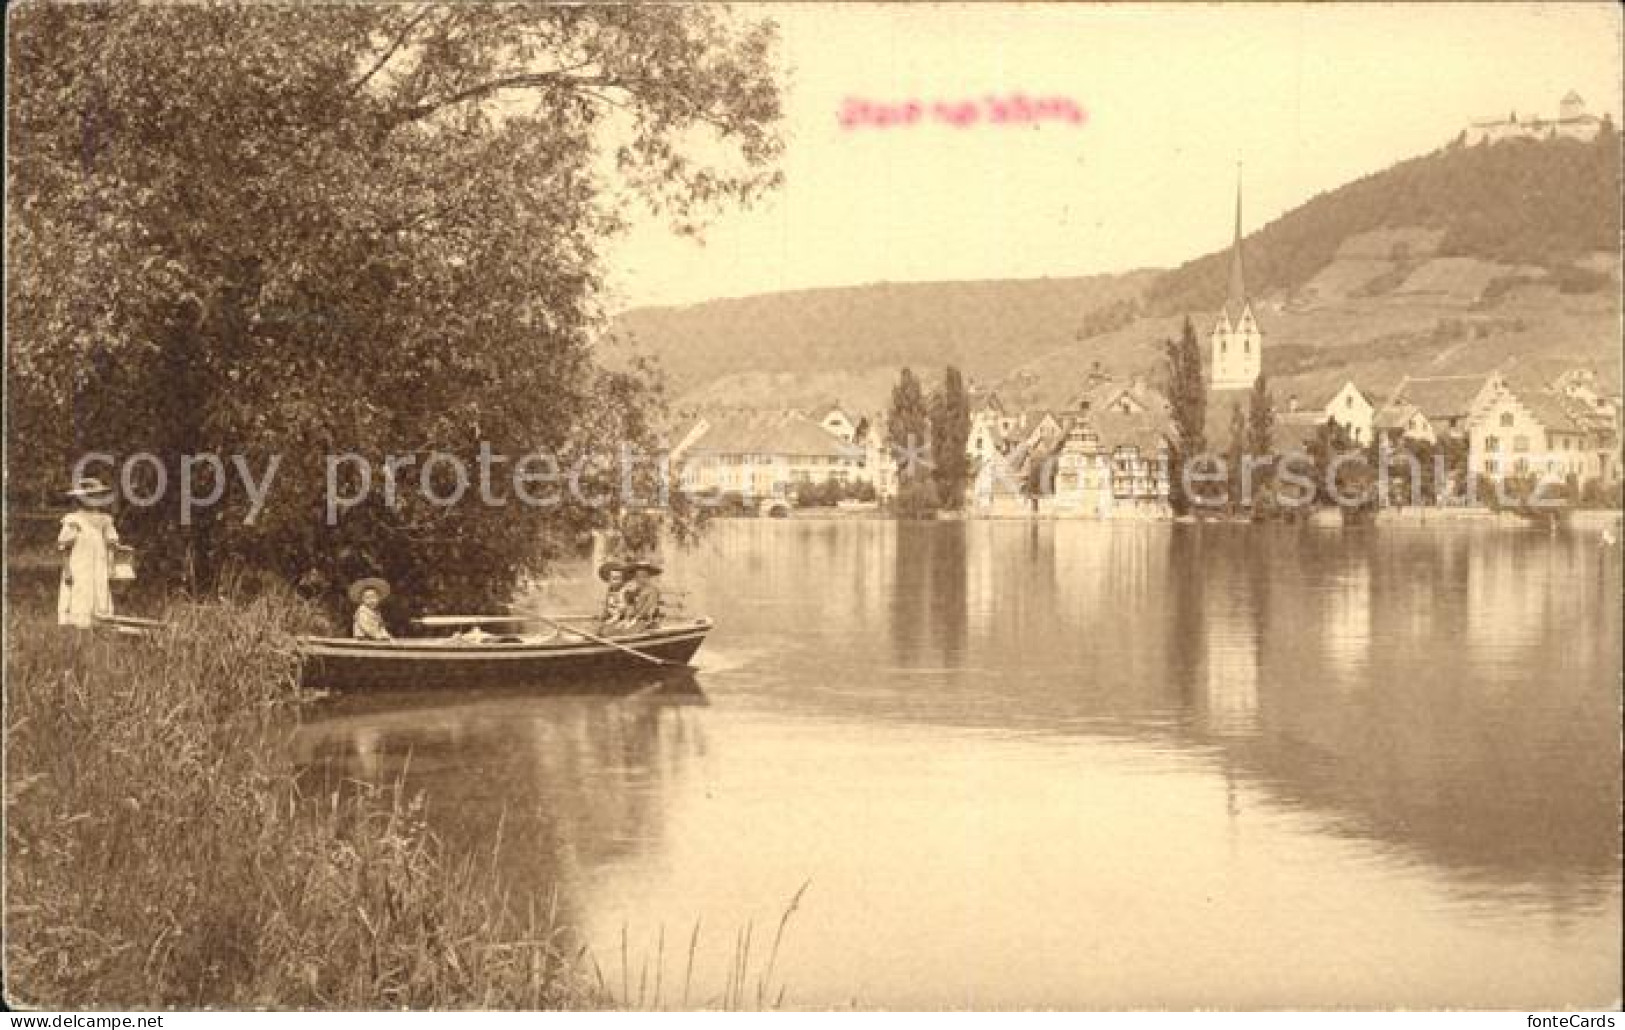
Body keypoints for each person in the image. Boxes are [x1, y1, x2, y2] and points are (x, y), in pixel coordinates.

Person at [57, 477, 119, 629]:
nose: (93, 500)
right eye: (88, 496)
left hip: (99, 562)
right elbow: (65, 547)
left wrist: (111, 566)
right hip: (79, 563)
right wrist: (67, 570)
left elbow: (111, 545)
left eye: (97, 496)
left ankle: (99, 622)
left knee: (99, 589)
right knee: (81, 589)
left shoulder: (104, 520)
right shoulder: (74, 520)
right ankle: (79, 623)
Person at [621, 562, 664, 630]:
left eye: (644, 576)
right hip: (634, 619)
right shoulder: (634, 590)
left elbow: (648, 607)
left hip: (648, 620)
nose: (640, 579)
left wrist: (635, 619)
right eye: (637, 576)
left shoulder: (653, 590)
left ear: (649, 577)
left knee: (631, 630)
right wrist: (627, 618)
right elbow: (630, 606)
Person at [597, 561, 631, 634]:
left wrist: (612, 620)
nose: (615, 581)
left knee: (606, 631)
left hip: (622, 620)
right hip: (612, 618)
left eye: (618, 578)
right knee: (598, 628)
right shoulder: (610, 591)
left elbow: (625, 610)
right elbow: (607, 606)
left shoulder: (625, 592)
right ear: (609, 579)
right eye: (613, 578)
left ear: (623, 580)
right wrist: (604, 615)